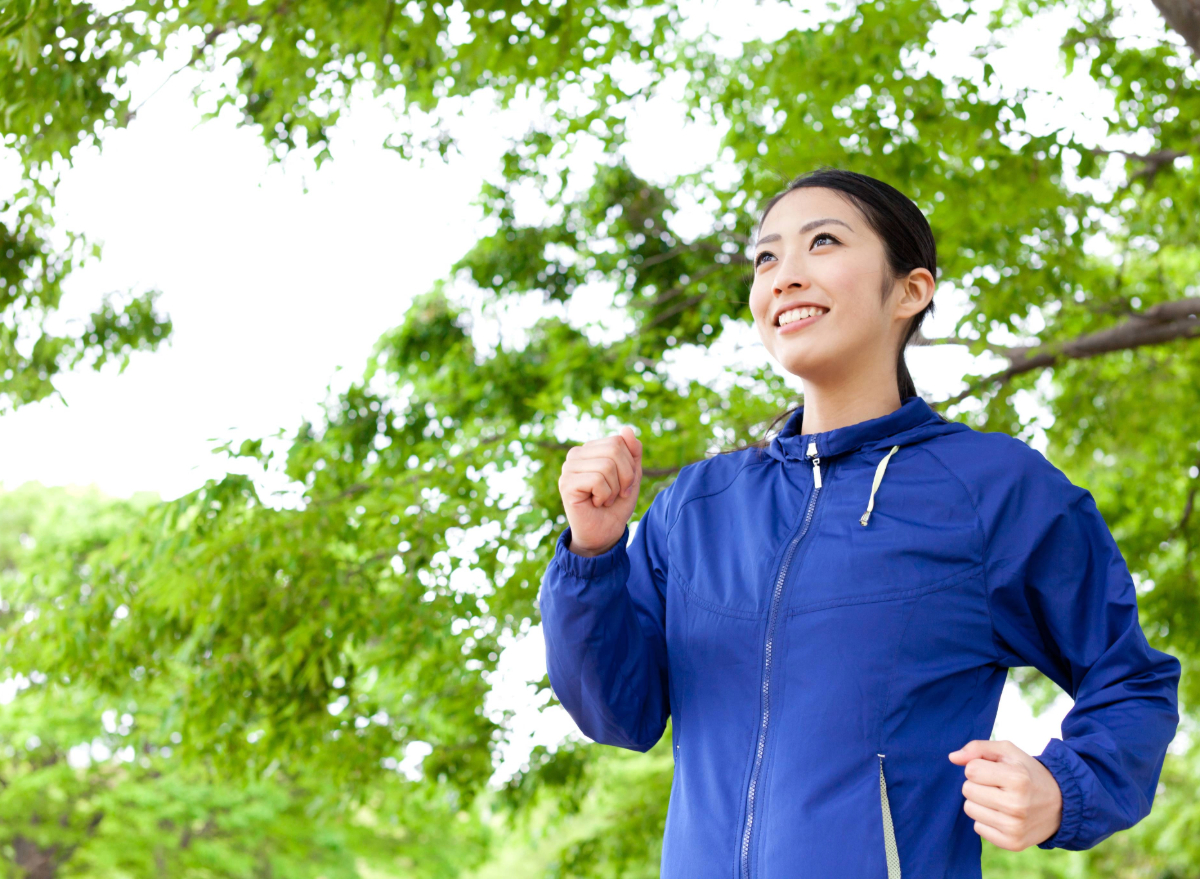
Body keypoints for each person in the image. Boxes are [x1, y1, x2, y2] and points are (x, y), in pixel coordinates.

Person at [536, 168, 1181, 879]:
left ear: (910, 289)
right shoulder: (698, 506)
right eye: (766, 257)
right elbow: (618, 713)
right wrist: (592, 553)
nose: (784, 275)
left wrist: (1065, 789)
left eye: (823, 242)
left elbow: (1133, 682)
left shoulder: (993, 490)